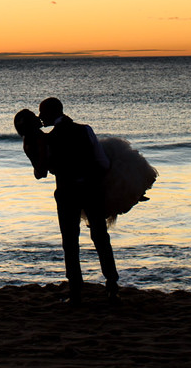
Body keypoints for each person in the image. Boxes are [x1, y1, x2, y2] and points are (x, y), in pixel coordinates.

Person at [38, 97, 118, 305]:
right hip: (91, 190)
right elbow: (102, 162)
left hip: (66, 193)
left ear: (50, 113)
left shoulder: (50, 139)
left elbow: (42, 172)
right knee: (100, 236)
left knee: (70, 242)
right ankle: (112, 285)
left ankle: (75, 291)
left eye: (42, 113)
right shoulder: (85, 130)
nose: (40, 118)